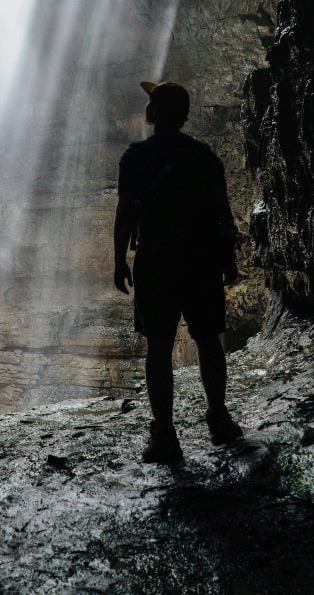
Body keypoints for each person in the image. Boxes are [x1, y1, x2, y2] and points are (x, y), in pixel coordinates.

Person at [113, 80, 243, 463]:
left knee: (158, 345)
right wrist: (228, 260)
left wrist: (119, 260)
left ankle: (166, 436)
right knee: (208, 340)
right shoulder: (204, 157)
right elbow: (222, 214)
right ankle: (218, 419)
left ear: (153, 114)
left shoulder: (135, 158)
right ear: (184, 115)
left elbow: (126, 213)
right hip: (200, 260)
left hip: (156, 260)